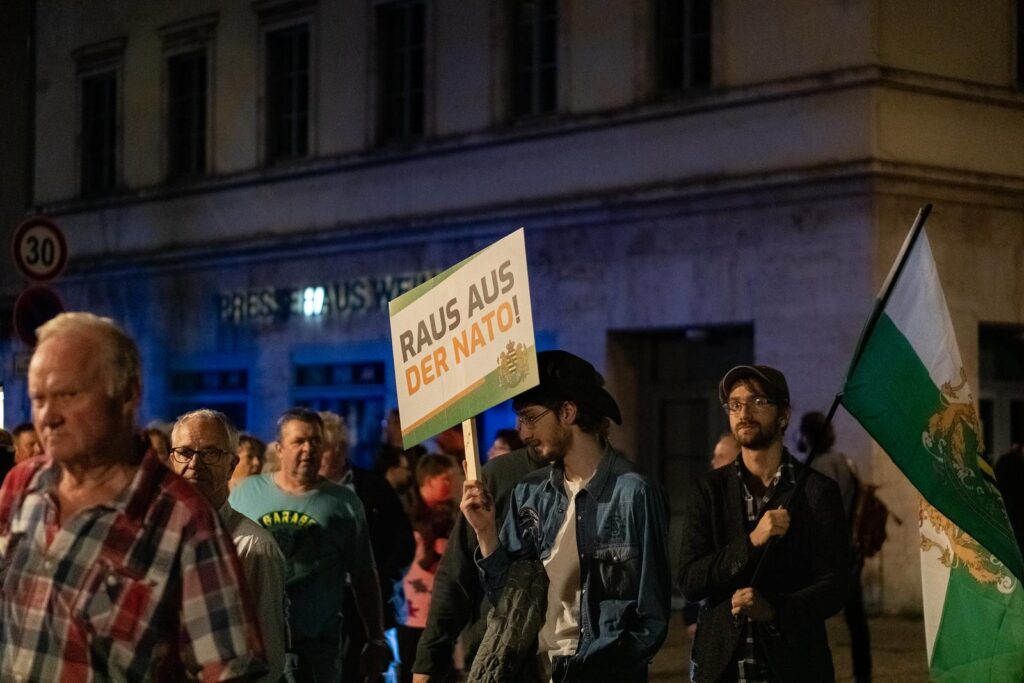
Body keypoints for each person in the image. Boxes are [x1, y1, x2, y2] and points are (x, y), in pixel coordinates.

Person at [0, 312, 266, 680]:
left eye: (67, 394)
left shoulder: (185, 522)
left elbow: (229, 673)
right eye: (38, 398)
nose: (48, 416)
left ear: (127, 393)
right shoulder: (21, 485)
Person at [461, 350, 671, 682]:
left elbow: (652, 615)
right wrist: (486, 533)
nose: (522, 432)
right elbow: (509, 598)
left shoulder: (634, 493)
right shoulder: (529, 493)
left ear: (568, 412)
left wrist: (608, 670)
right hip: (540, 670)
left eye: (530, 418)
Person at [678, 365, 850, 682]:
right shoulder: (709, 490)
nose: (744, 412)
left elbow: (836, 586)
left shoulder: (816, 490)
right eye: (735, 404)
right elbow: (690, 581)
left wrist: (775, 610)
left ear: (783, 415)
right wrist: (751, 542)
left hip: (794, 667)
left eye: (757, 402)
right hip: (722, 668)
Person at [230, 407, 390, 683]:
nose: (308, 449)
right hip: (255, 644)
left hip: (316, 649)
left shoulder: (343, 503)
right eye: (299, 441)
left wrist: (375, 637)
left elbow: (364, 573)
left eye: (315, 441)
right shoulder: (246, 494)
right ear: (279, 449)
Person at [170, 409, 289, 683]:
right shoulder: (156, 537)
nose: (195, 464)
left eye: (210, 453)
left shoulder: (252, 547)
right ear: (171, 461)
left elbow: (267, 659)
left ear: (232, 464)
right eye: (185, 453)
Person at [411, 443, 547, 682]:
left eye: (532, 417)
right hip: (503, 657)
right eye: (524, 418)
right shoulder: (499, 477)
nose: (526, 430)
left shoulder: (613, 482)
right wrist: (428, 662)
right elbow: (455, 575)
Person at [318, 411, 415, 683]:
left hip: (365, 607)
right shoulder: (302, 491)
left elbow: (402, 543)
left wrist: (380, 581)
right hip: (319, 609)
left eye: (321, 448)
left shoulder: (372, 487)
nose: (313, 455)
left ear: (340, 449)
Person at [798, 411, 870, 682]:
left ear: (807, 435)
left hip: (824, 554)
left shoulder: (814, 468)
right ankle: (863, 675)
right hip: (850, 550)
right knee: (856, 618)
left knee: (810, 617)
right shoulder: (845, 462)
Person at [397, 453, 459, 683]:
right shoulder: (406, 514)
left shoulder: (449, 514)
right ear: (429, 479)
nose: (451, 485)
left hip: (439, 610)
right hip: (411, 613)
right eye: (445, 479)